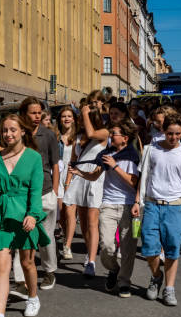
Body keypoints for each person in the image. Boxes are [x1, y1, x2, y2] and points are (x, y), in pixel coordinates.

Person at [0, 114, 49, 317]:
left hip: (25, 215)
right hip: (2, 215)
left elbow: (36, 191)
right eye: (4, 130)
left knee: (27, 263)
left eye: (13, 130)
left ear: (22, 131)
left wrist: (33, 214)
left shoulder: (33, 157)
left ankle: (33, 297)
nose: (8, 134)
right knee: (2, 266)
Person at [130, 113, 181, 306]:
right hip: (153, 204)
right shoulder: (150, 150)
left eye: (178, 134)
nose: (174, 137)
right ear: (164, 131)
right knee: (149, 248)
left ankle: (169, 289)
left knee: (172, 250)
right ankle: (156, 276)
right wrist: (137, 201)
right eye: (170, 133)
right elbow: (142, 178)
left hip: (175, 207)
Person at [69, 121, 140, 297]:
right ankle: (114, 269)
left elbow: (134, 183)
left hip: (129, 205)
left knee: (128, 248)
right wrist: (80, 173)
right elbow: (95, 176)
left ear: (125, 138)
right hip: (108, 204)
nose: (110, 136)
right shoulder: (106, 154)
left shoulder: (132, 156)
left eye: (114, 133)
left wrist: (115, 166)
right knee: (107, 246)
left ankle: (124, 282)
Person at [13, 98, 59, 291]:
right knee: (21, 236)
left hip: (44, 193)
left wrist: (55, 192)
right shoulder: (17, 135)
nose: (37, 116)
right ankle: (20, 280)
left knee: (45, 236)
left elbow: (55, 165)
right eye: (33, 113)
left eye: (39, 113)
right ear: (23, 114)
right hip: (21, 194)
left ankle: (49, 271)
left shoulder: (47, 135)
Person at [63, 104, 109, 277]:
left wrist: (84, 112)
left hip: (94, 179)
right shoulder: (78, 137)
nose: (81, 120)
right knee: (83, 223)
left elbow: (91, 134)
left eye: (84, 118)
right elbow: (73, 162)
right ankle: (89, 253)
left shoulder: (103, 133)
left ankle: (91, 261)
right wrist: (68, 183)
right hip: (79, 179)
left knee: (92, 221)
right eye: (81, 118)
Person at [56, 106, 77, 260]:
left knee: (70, 212)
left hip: (74, 177)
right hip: (58, 175)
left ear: (74, 119)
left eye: (69, 116)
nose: (66, 118)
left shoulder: (78, 138)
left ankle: (67, 246)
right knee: (61, 212)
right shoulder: (55, 136)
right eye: (64, 116)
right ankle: (64, 237)